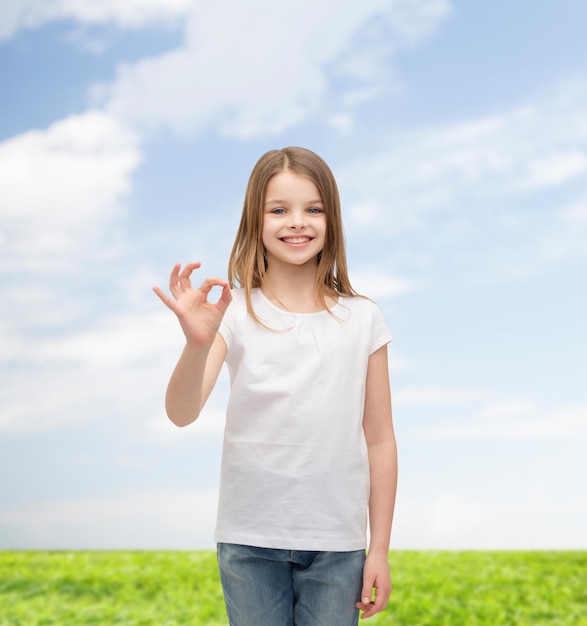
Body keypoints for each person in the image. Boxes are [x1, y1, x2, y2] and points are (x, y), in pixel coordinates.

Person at [153, 147, 398, 625]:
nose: (297, 222)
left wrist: (380, 549)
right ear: (255, 221)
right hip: (249, 540)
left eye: (313, 209)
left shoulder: (363, 317)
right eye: (279, 210)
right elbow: (181, 412)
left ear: (332, 219)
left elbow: (380, 438)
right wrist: (196, 343)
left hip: (337, 544)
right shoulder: (233, 312)